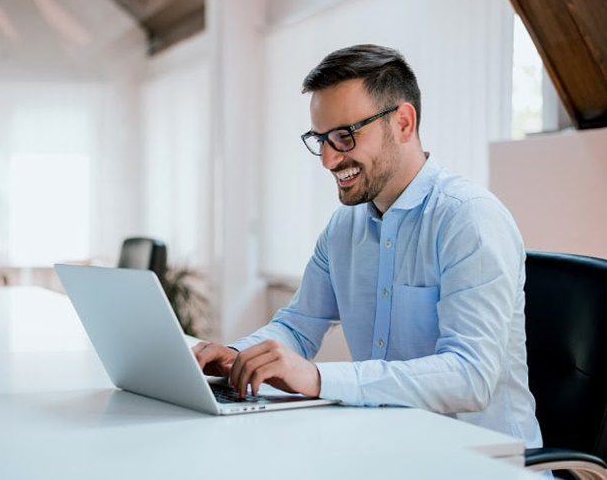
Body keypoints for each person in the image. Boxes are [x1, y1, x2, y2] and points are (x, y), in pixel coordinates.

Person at [193, 44, 542, 447]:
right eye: (320, 139)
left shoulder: (470, 219)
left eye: (344, 137)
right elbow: (298, 325)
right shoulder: (345, 226)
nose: (327, 160)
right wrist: (238, 356)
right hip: (387, 449)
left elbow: (470, 377)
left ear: (403, 123)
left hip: (480, 463)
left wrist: (319, 378)